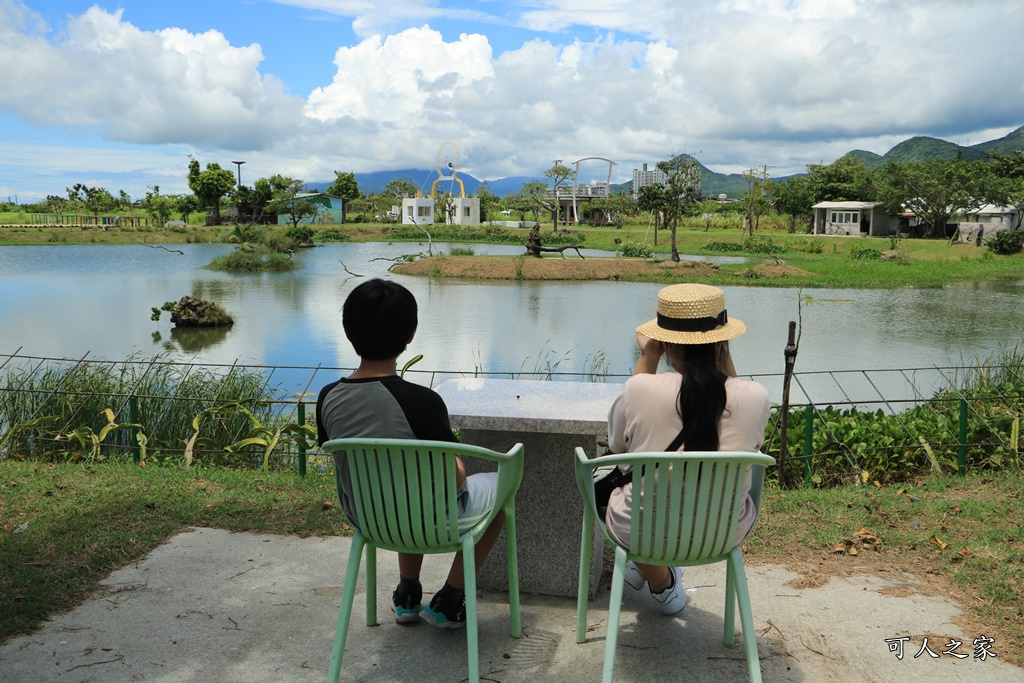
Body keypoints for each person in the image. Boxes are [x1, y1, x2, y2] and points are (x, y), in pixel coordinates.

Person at [316, 278, 506, 629]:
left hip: (368, 518)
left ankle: (407, 593)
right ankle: (450, 599)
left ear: (347, 331)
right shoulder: (423, 401)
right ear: (410, 334)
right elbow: (453, 479)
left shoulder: (328, 397)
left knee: (401, 484)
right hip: (431, 520)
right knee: (498, 500)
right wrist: (460, 469)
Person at [604, 283, 771, 615]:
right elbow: (742, 409)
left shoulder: (639, 388)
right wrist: (722, 353)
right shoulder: (756, 397)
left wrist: (648, 355)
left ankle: (660, 581)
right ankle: (658, 579)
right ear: (722, 342)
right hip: (721, 531)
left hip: (637, 529)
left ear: (666, 344)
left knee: (615, 482)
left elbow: (618, 447)